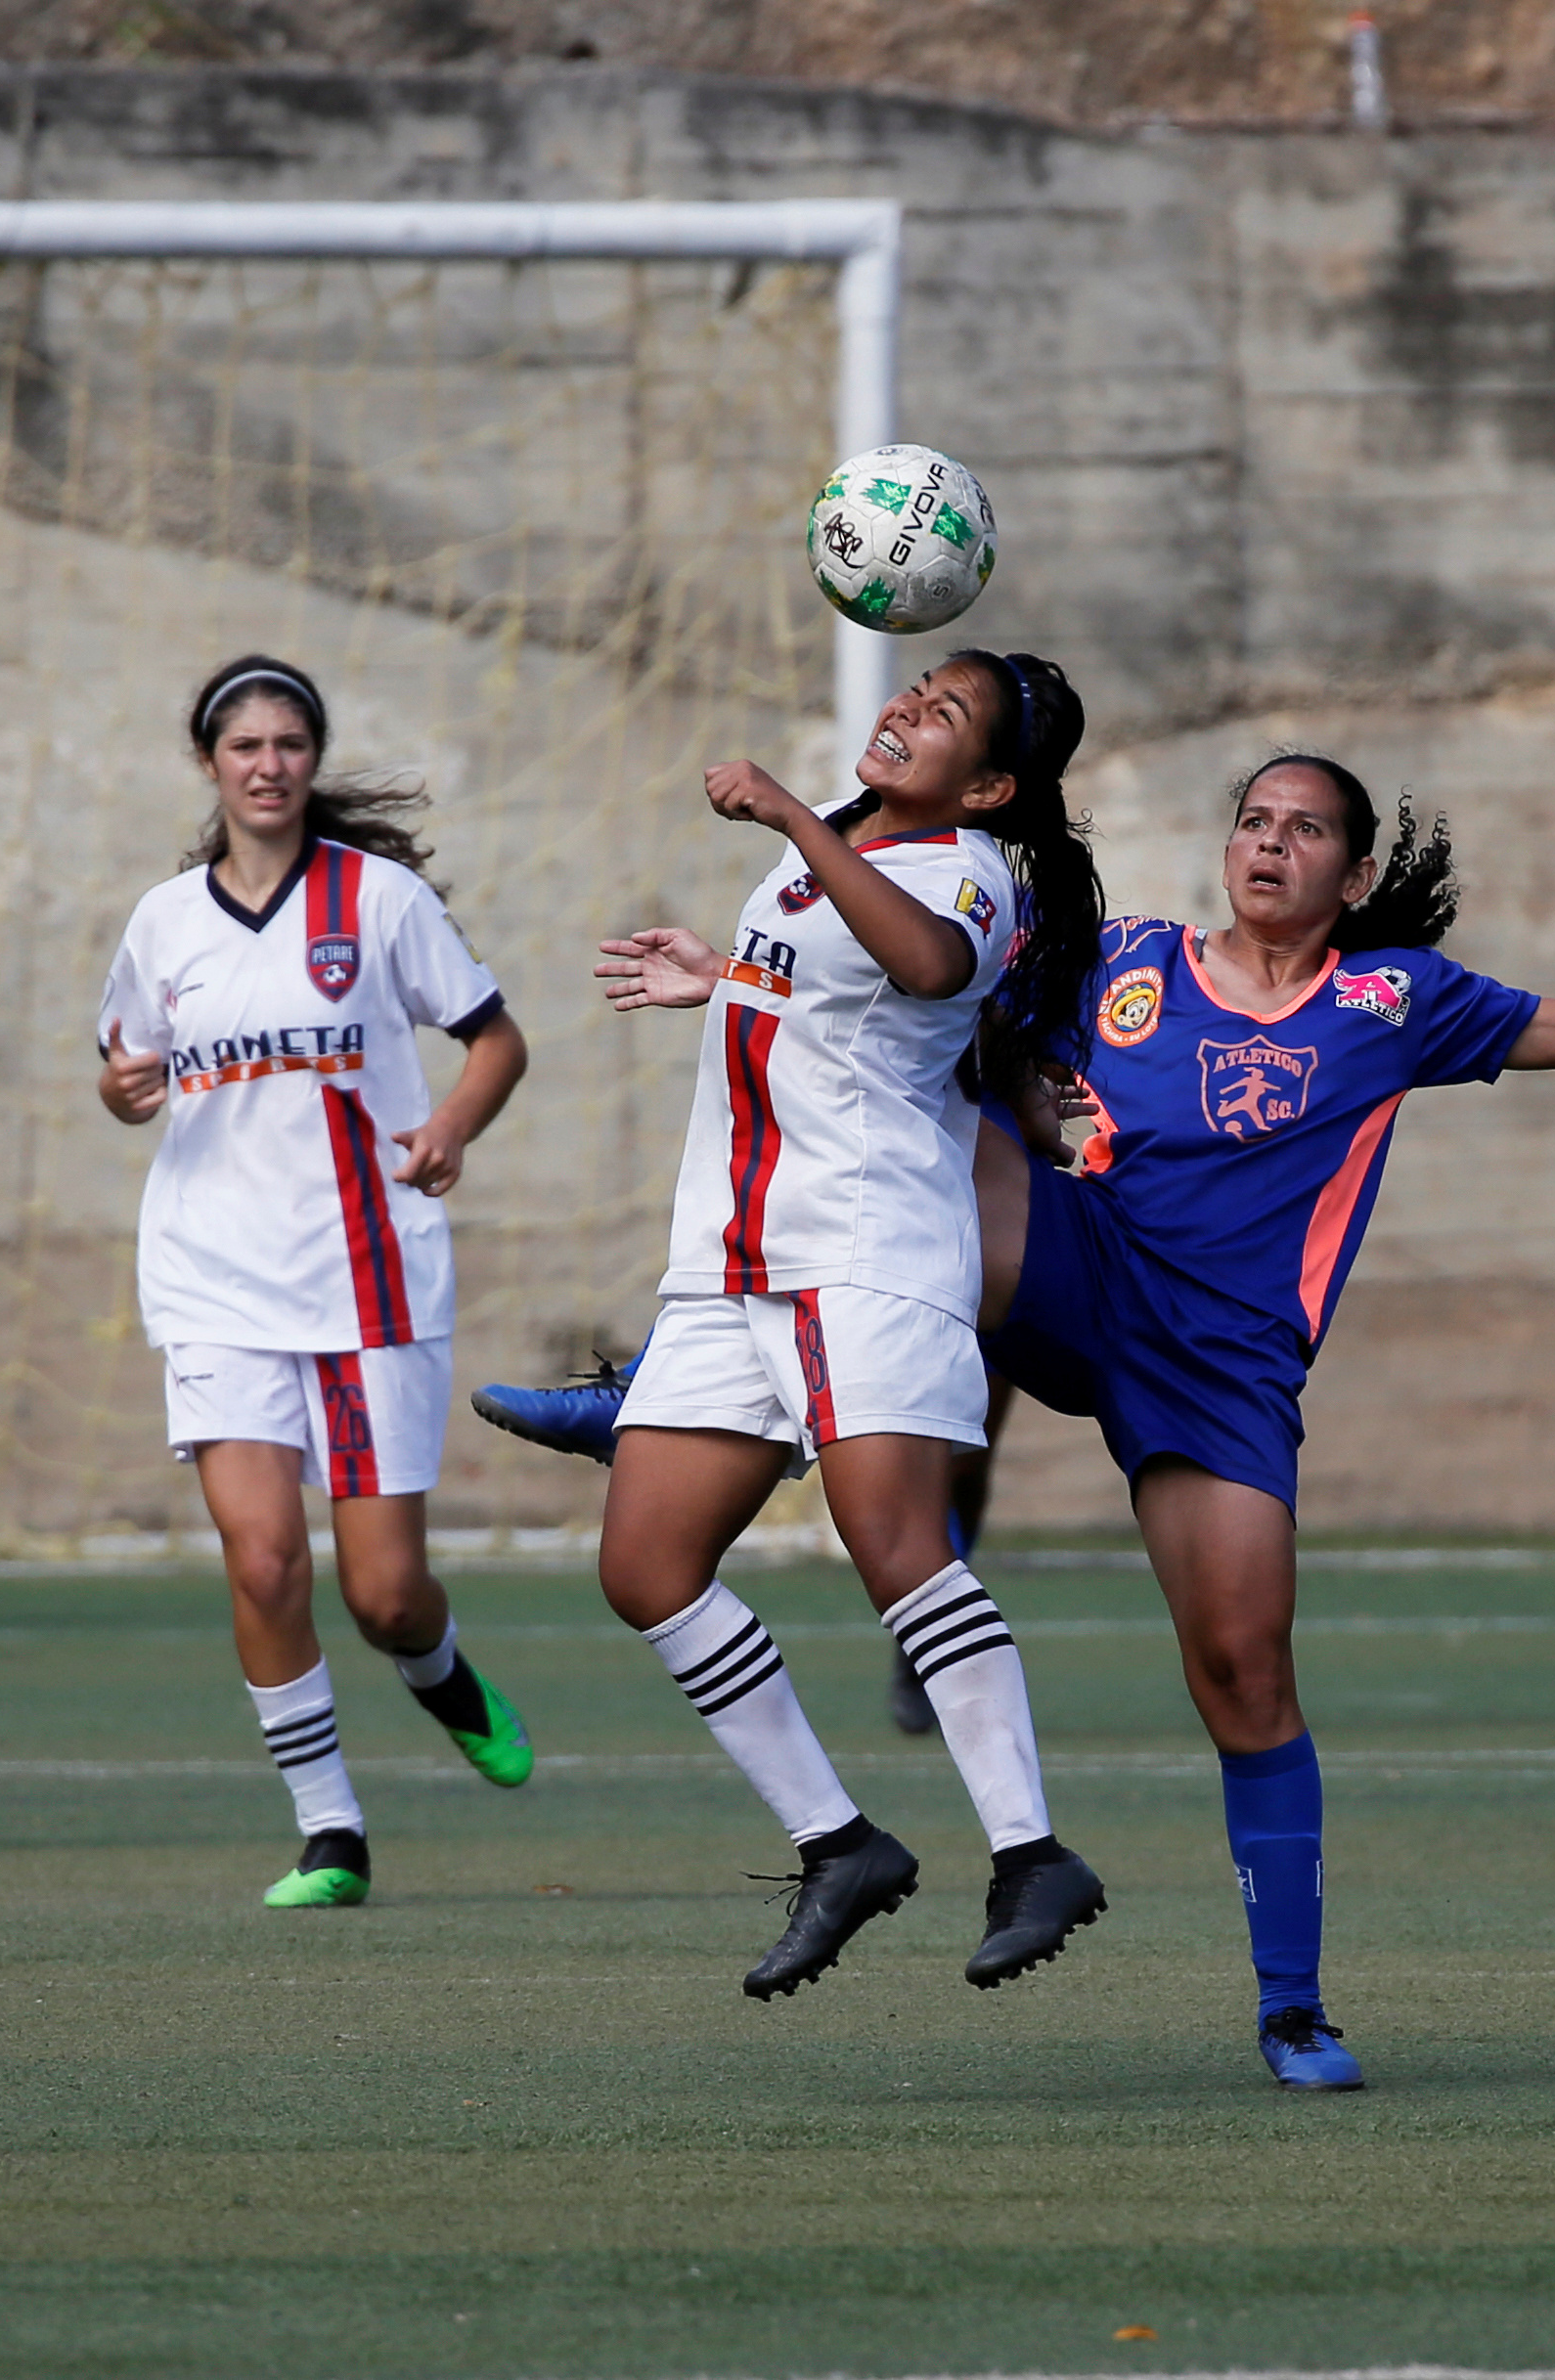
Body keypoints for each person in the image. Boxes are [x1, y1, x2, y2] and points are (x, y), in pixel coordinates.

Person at [481, 751, 1555, 2087]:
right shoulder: (1128, 960)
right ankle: (675, 1384)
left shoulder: (1391, 1000)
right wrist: (733, 977)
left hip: (1219, 1361)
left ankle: (1290, 2003)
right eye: (1252, 819)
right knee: (959, 1124)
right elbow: (924, 1010)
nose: (1266, 842)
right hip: (1070, 1266)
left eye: (1301, 828)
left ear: (1349, 875)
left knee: (1241, 1673)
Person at [584, 650, 1111, 2001]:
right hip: (730, 1257)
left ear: (987, 784)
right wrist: (725, 976)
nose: (903, 710)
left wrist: (791, 816)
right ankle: (838, 1842)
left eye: (941, 717)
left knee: (893, 1549)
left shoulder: (963, 867)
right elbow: (852, 1004)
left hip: (859, 1254)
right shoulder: (843, 848)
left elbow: (930, 968)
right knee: (645, 1563)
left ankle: (1030, 1849)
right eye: (913, 690)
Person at [96, 655, 537, 1911]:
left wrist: (450, 1125)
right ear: (210, 764)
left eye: (290, 743)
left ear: (312, 757)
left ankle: (440, 1672)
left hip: (370, 1278)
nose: (270, 764)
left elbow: (496, 1040)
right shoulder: (163, 922)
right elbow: (123, 1070)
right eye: (246, 746)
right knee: (263, 1561)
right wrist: (122, 1090)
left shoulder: (379, 900)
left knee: (384, 1591)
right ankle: (329, 1828)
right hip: (212, 1277)